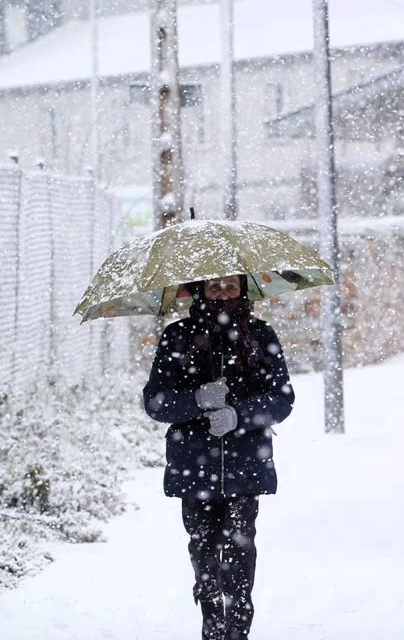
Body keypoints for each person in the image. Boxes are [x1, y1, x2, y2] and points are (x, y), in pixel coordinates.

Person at [143, 274, 295, 640]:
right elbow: (155, 402)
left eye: (231, 286)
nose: (223, 293)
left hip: (245, 465)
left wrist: (238, 415)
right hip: (194, 467)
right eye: (214, 286)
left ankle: (238, 630)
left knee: (239, 550)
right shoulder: (177, 337)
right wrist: (197, 400)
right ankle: (212, 627)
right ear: (200, 291)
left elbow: (282, 399)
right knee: (204, 552)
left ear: (243, 288)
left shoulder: (260, 336)